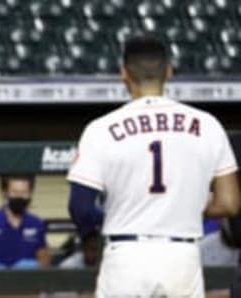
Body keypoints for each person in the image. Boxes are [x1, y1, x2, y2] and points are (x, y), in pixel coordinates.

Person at [67, 35, 240, 297]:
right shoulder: (208, 125)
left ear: (123, 74)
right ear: (168, 72)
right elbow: (229, 203)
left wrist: (100, 228)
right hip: (181, 255)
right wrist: (183, 205)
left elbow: (79, 207)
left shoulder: (100, 129)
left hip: (125, 254)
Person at [0, 175, 50, 269]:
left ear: (30, 193)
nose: (19, 197)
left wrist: (33, 270)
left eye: (24, 192)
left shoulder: (37, 224)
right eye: (15, 192)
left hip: (26, 282)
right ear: (5, 192)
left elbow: (43, 257)